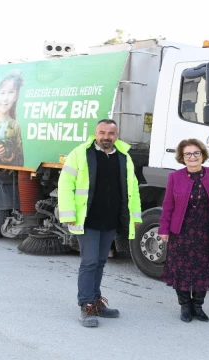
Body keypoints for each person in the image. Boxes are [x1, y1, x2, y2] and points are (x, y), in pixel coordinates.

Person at [58, 119, 142, 328]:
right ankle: (86, 305)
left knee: (101, 261)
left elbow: (133, 189)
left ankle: (96, 301)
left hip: (111, 219)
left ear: (117, 135)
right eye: (102, 132)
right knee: (89, 262)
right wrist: (68, 213)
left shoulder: (124, 156)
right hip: (88, 219)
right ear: (95, 133)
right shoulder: (80, 153)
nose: (106, 137)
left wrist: (136, 217)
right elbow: (66, 183)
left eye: (111, 133)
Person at [158, 139, 209, 323]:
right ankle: (185, 307)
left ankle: (198, 306)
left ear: (203, 154)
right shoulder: (175, 177)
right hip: (182, 232)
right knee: (181, 270)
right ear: (182, 157)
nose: (192, 157)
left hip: (207, 232)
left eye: (196, 153)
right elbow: (168, 205)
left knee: (203, 270)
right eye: (188, 154)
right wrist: (164, 228)